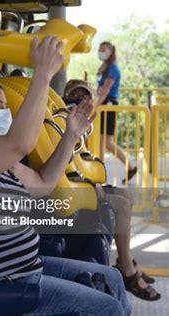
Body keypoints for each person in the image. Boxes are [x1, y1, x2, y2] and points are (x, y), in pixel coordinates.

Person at [0, 36, 132, 315]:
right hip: (1, 285)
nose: (6, 114)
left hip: (27, 269)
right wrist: (43, 73)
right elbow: (19, 143)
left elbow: (42, 185)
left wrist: (70, 136)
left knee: (112, 278)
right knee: (106, 308)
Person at [63, 79, 161, 301]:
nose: (81, 99)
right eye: (75, 94)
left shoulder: (84, 124)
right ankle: (127, 269)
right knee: (120, 203)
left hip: (78, 181)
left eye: (86, 96)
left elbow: (81, 158)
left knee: (126, 194)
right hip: (65, 187)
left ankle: (125, 261)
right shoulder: (61, 119)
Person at [95, 42, 137, 184]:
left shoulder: (112, 69)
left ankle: (130, 166)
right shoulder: (105, 68)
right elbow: (100, 89)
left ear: (111, 52)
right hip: (104, 104)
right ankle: (100, 172)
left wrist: (95, 106)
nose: (100, 52)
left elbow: (106, 90)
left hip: (108, 105)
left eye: (103, 50)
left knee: (107, 142)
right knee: (102, 142)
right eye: (99, 50)